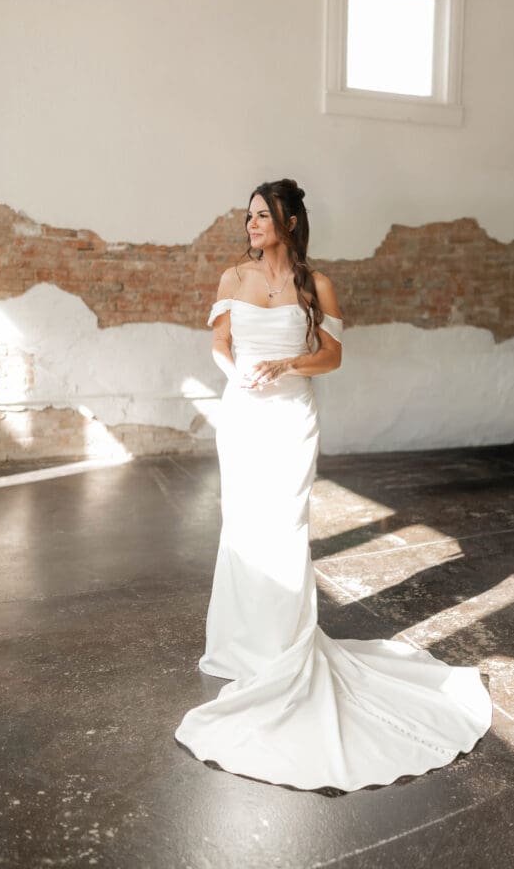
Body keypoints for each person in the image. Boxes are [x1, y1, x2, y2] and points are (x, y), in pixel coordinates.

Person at [174, 178, 492, 791]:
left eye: (262, 216)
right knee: (243, 525)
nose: (251, 225)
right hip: (243, 414)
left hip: (292, 415)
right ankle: (242, 647)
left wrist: (286, 364)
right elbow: (218, 344)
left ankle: (285, 648)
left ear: (290, 222)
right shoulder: (232, 279)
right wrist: (237, 374)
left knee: (286, 527)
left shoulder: (317, 286)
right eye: (248, 217)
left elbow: (332, 357)